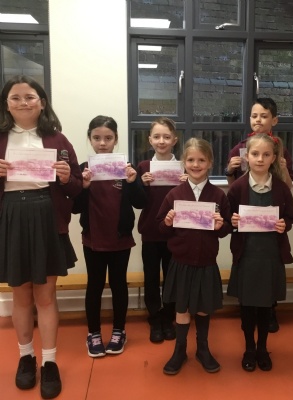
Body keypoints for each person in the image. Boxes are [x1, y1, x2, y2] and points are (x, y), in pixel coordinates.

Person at [0, 75, 82, 399]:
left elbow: (76, 187)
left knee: (46, 297)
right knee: (20, 295)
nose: (23, 102)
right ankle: (26, 357)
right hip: (10, 217)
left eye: (30, 97)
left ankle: (49, 362)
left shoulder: (57, 139)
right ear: (6, 104)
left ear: (42, 102)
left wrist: (66, 177)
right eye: (16, 97)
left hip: (46, 215)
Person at [72, 115, 146, 357]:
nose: (102, 143)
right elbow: (75, 208)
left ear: (116, 139)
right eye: (97, 138)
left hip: (120, 239)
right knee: (94, 286)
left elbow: (140, 202)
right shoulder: (84, 168)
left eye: (108, 138)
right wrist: (83, 187)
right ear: (90, 139)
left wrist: (133, 182)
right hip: (93, 239)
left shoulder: (125, 167)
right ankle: (93, 333)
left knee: (118, 285)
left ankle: (118, 331)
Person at [157, 138, 231, 375]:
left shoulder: (218, 195)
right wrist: (168, 221)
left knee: (203, 308)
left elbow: (227, 229)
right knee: (182, 309)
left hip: (206, 263)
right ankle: (180, 350)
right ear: (184, 162)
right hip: (181, 263)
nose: (196, 164)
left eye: (201, 160)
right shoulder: (174, 194)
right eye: (190, 160)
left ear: (210, 163)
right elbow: (161, 228)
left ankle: (203, 349)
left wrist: (221, 225)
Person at [225, 97, 293, 333]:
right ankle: (247, 310)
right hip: (248, 218)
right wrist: (229, 170)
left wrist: (283, 169)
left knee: (269, 267)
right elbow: (233, 189)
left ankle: (270, 310)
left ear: (274, 120)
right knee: (249, 266)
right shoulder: (239, 147)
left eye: (264, 116)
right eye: (254, 116)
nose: (258, 120)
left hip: (271, 218)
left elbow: (288, 188)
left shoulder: (281, 149)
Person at [137, 117, 187, 344]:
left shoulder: (183, 167)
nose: (162, 141)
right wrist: (141, 184)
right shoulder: (143, 167)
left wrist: (187, 184)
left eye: (167, 137)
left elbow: (192, 201)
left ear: (174, 140)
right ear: (150, 140)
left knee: (171, 277)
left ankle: (168, 316)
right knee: (151, 277)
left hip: (175, 233)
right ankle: (154, 317)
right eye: (157, 136)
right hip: (150, 231)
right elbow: (138, 201)